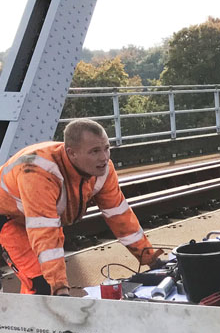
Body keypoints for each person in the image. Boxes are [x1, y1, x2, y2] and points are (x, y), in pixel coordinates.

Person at [0, 119, 162, 295]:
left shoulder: (102, 169)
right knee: (42, 285)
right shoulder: (38, 171)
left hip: (34, 218)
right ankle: (32, 321)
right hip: (10, 219)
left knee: (49, 281)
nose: (104, 157)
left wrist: (151, 259)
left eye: (107, 148)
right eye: (94, 151)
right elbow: (44, 231)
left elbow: (120, 216)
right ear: (72, 153)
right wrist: (59, 286)